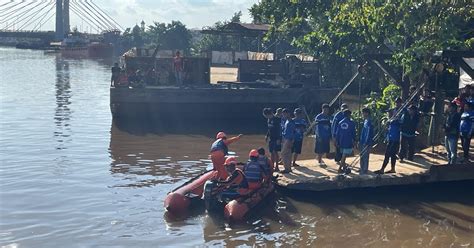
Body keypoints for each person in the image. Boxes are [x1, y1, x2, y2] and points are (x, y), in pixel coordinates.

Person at [280, 108, 296, 173]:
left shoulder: (291, 122)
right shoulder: (286, 121)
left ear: (288, 114)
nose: (283, 115)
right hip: (286, 138)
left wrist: (291, 141)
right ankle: (288, 168)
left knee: (283, 154)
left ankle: (286, 168)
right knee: (288, 154)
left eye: (284, 114)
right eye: (283, 114)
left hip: (289, 139)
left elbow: (293, 132)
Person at [359, 108, 374, 175]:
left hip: (366, 142)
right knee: (361, 156)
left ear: (367, 113)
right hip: (363, 141)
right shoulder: (365, 121)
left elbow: (368, 133)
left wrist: (367, 142)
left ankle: (365, 169)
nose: (362, 114)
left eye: (363, 113)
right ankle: (362, 168)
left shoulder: (369, 121)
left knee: (365, 156)